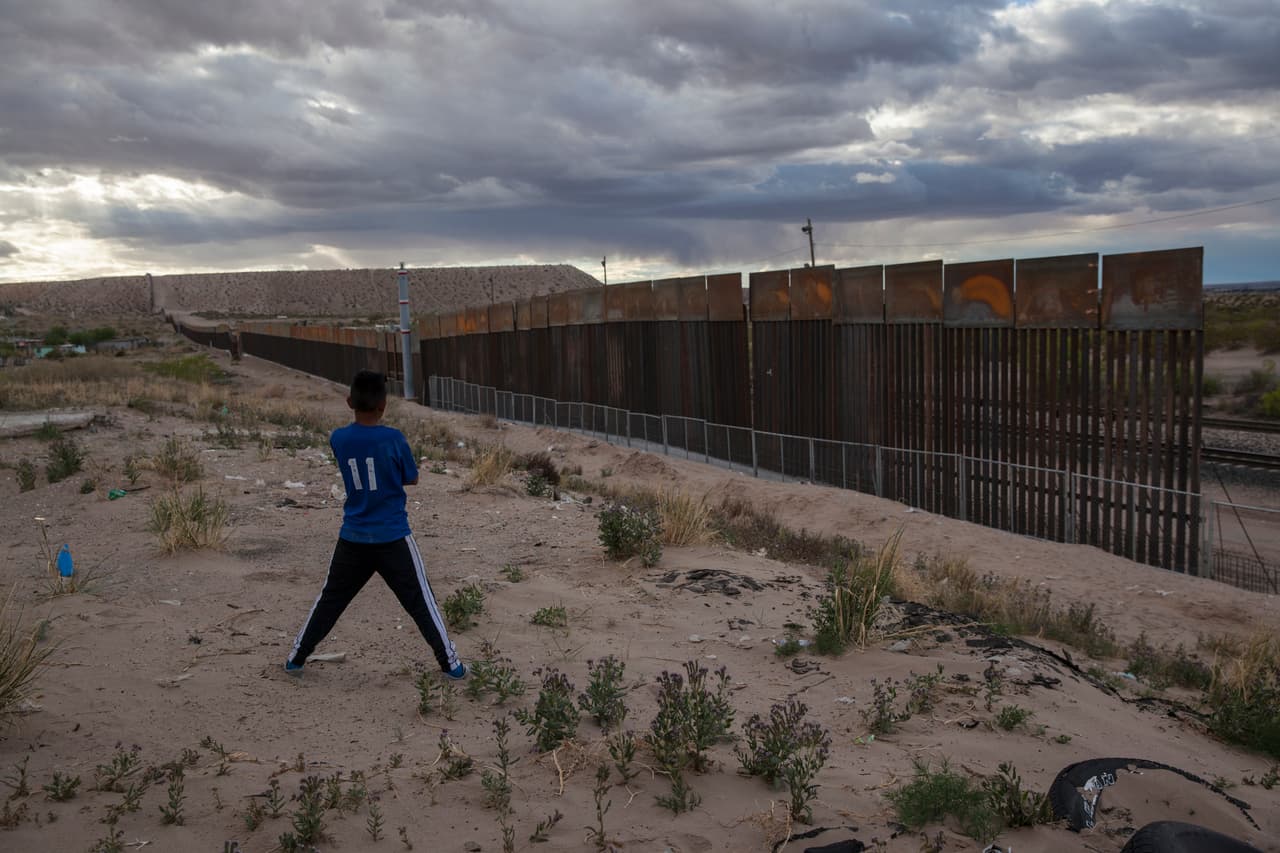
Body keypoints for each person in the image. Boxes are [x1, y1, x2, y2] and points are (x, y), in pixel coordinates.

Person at [286, 369, 467, 680]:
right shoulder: (393, 439)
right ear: (384, 404)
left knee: (331, 599)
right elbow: (411, 476)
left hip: (353, 536)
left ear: (349, 402)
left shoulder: (338, 438)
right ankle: (451, 665)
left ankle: (296, 657)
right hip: (392, 536)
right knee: (421, 602)